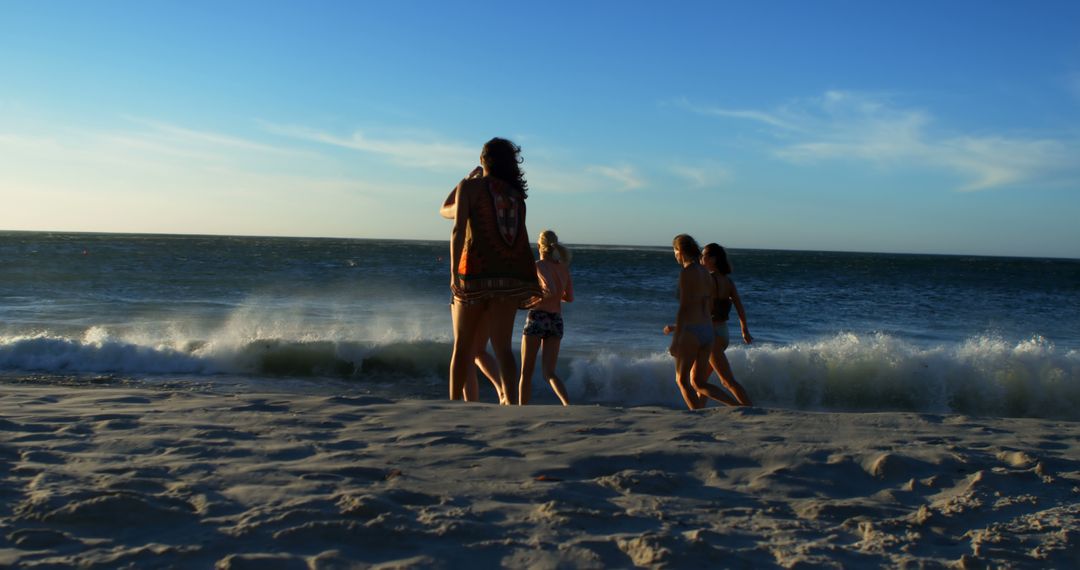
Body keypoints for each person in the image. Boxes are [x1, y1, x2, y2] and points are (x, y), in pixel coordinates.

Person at [442, 138, 541, 403]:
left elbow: (457, 229)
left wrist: (454, 272)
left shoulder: (470, 188)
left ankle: (452, 405)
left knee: (462, 347)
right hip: (508, 276)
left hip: (474, 272)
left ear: (483, 159)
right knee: (503, 349)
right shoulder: (515, 196)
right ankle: (512, 403)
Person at [663, 234, 740, 410]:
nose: (674, 254)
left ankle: (697, 414)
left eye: (674, 250)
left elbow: (684, 308)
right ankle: (737, 407)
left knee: (682, 381)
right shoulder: (706, 273)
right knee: (698, 382)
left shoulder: (687, 272)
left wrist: (676, 339)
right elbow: (709, 305)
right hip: (707, 332)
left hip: (692, 331)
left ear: (680, 251)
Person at [518, 230, 573, 406]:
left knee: (526, 372)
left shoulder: (538, 265)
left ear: (540, 246)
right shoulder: (563, 268)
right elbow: (569, 297)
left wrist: (528, 302)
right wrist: (556, 297)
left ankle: (521, 409)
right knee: (549, 372)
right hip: (556, 320)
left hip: (539, 317)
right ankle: (567, 404)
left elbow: (549, 290)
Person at [701, 243, 754, 406]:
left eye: (703, 256)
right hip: (723, 334)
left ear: (713, 259)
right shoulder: (728, 281)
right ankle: (697, 411)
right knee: (701, 379)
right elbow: (739, 306)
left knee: (726, 381)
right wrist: (744, 329)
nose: (701, 259)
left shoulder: (709, 280)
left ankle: (748, 409)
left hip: (712, 335)